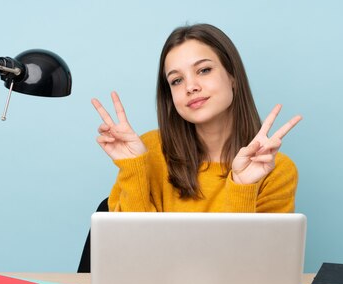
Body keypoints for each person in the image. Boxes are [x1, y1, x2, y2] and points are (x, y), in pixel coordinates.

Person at [91, 23, 302, 213]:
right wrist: (133, 168)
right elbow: (128, 248)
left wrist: (242, 186)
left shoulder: (274, 169)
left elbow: (256, 256)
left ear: (233, 77)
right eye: (176, 80)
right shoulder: (147, 150)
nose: (191, 87)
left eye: (204, 70)